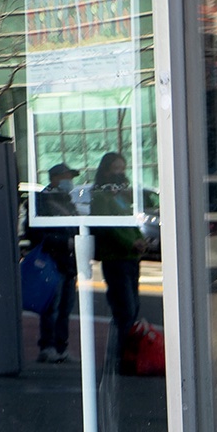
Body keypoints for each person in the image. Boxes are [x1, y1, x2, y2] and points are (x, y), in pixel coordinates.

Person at [89, 152, 142, 365]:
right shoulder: (100, 196)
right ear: (106, 171)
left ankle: (126, 354)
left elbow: (130, 221)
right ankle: (121, 356)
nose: (120, 173)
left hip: (130, 257)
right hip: (116, 258)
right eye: (116, 169)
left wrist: (139, 239)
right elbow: (107, 227)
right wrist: (130, 242)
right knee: (125, 308)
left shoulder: (119, 196)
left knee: (133, 307)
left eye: (123, 168)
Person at [31, 163, 79, 363]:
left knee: (65, 307)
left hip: (67, 262)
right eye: (67, 176)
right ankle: (48, 346)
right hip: (53, 261)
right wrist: (63, 241)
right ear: (55, 177)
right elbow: (36, 233)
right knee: (52, 307)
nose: (70, 181)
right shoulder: (43, 199)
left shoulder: (67, 200)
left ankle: (60, 347)